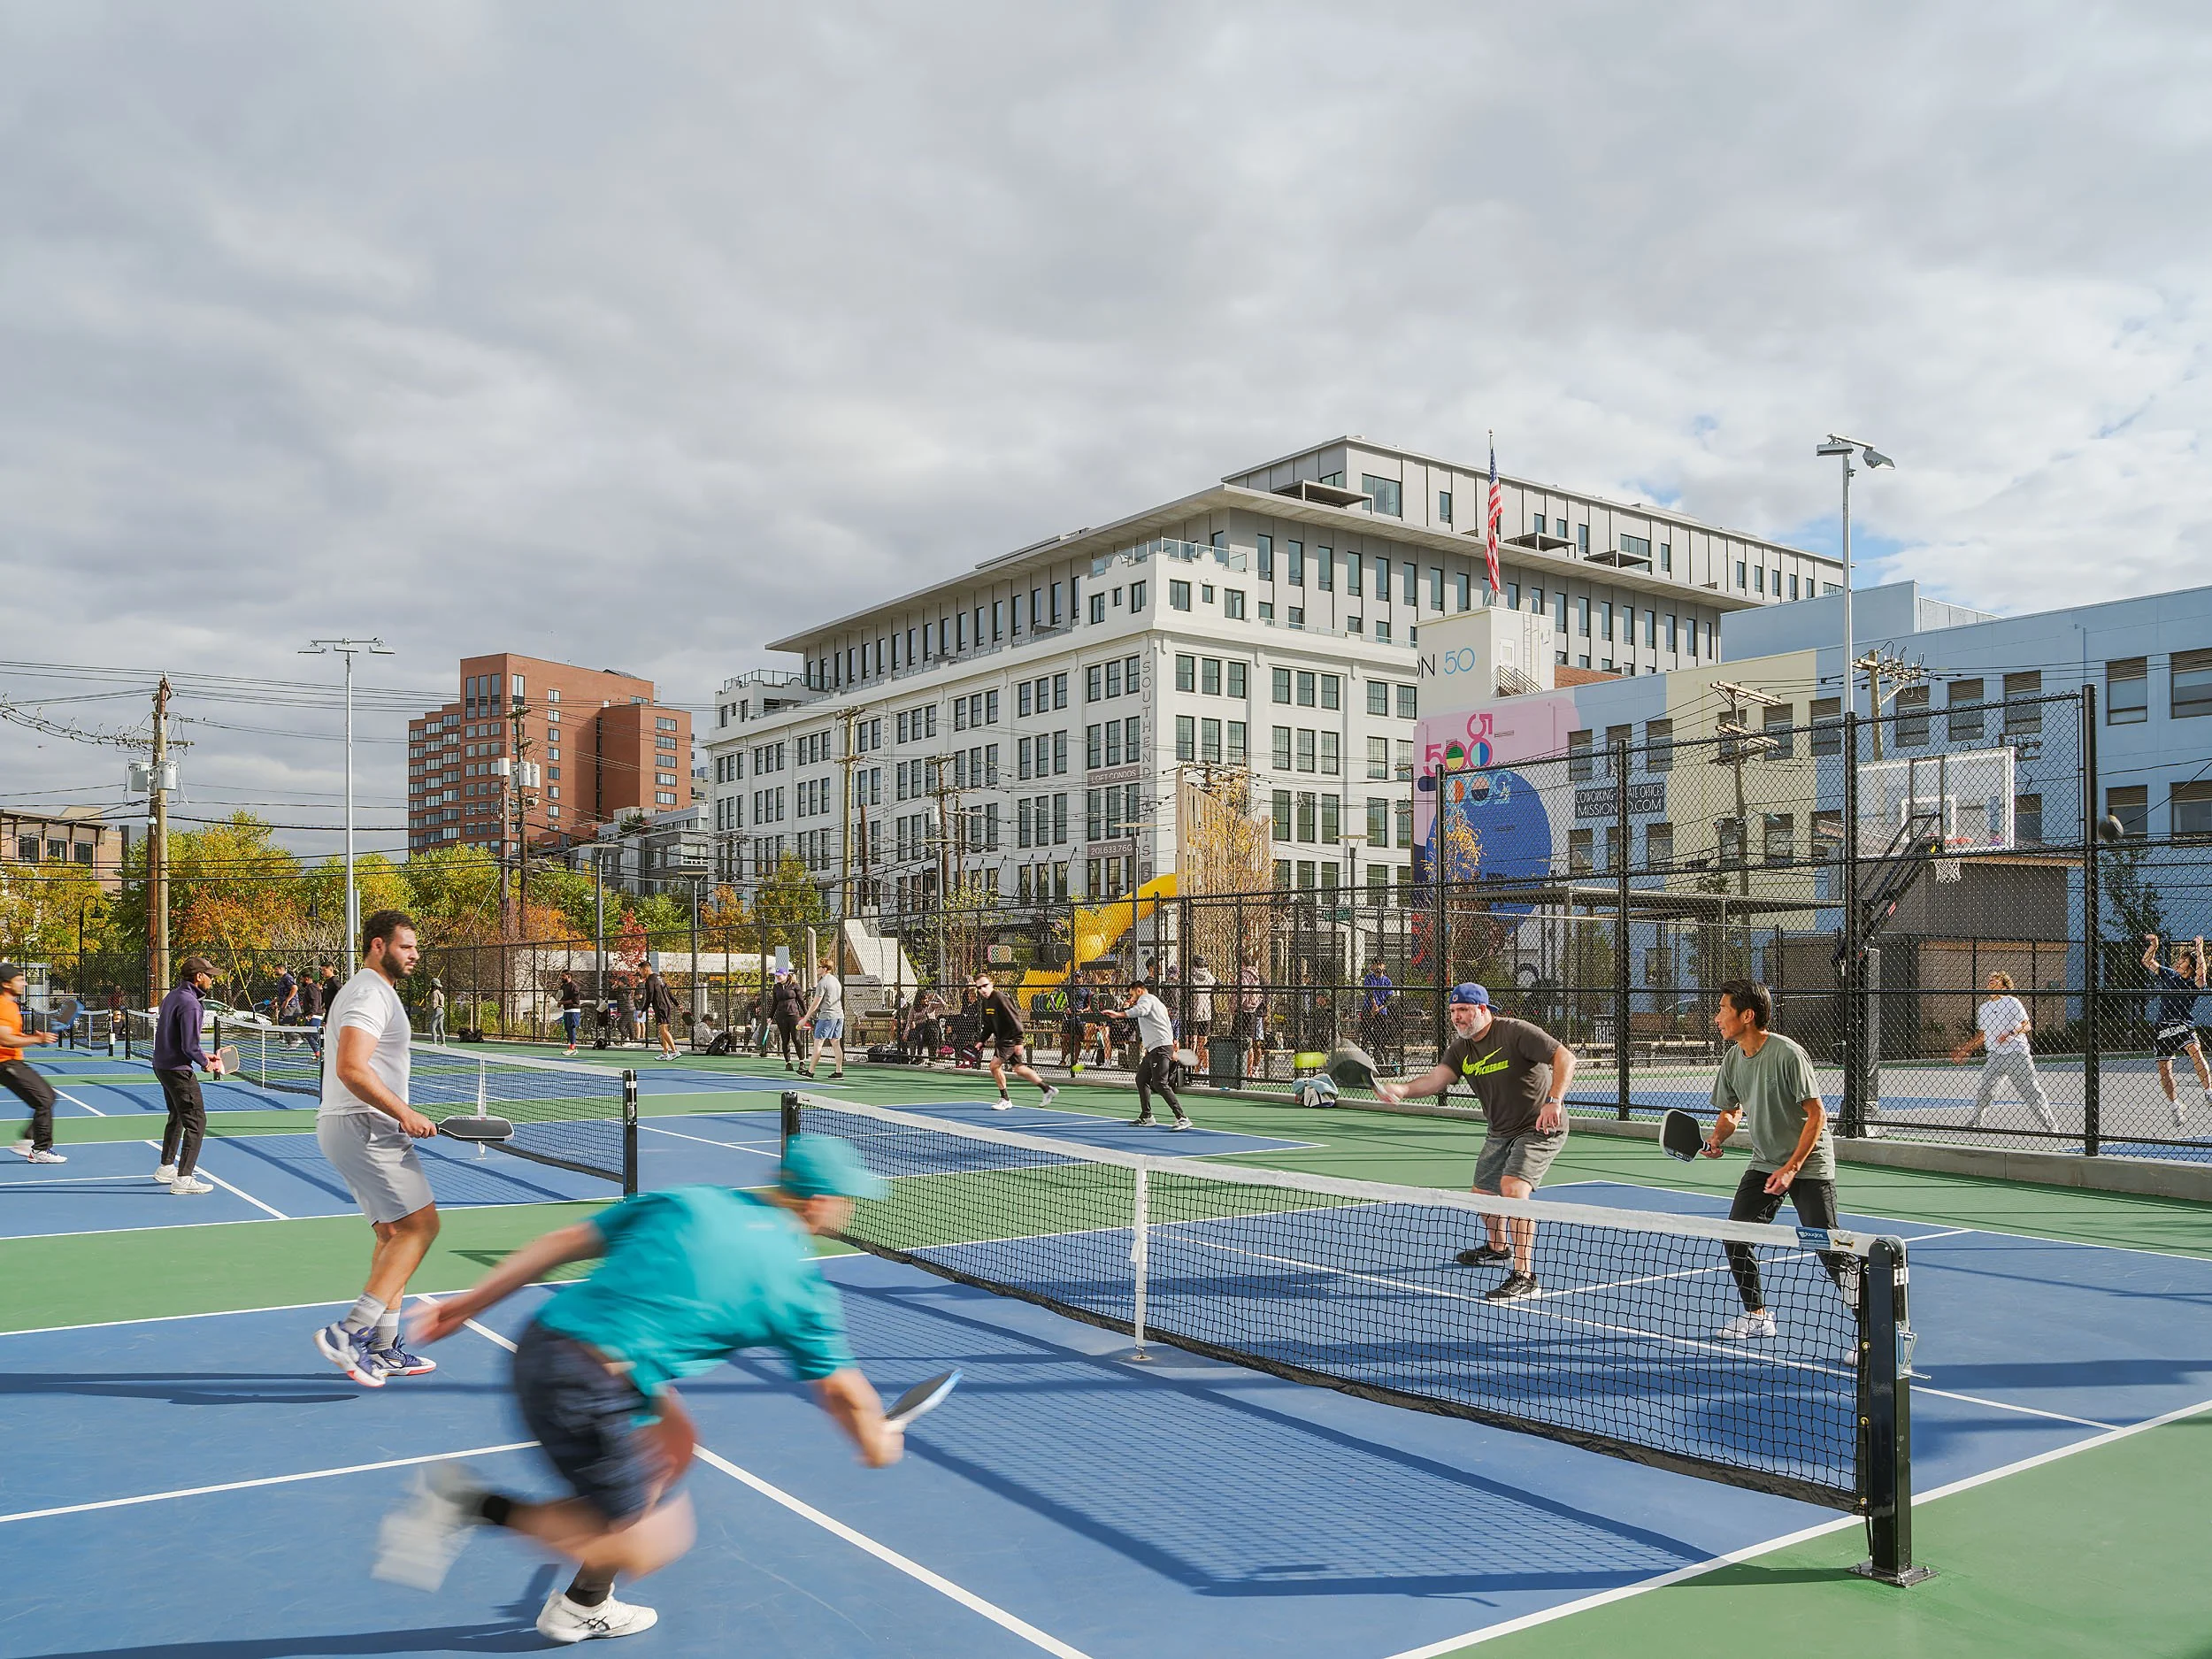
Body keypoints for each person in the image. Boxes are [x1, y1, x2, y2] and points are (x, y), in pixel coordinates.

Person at [372, 1134, 907, 1640]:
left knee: (674, 1443)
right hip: (585, 1384)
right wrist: (876, 1443)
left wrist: (467, 1305)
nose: (849, 1209)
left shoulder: (692, 1201)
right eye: (846, 1199)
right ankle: (468, 1504)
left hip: (546, 1341)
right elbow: (843, 1394)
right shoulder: (797, 1289)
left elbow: (563, 1242)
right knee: (651, 1546)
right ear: (816, 1203)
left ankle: (583, 1603)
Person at [311, 910, 442, 1388]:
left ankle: (383, 1347)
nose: (414, 955)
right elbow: (351, 1067)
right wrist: (404, 1112)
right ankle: (347, 1333)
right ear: (377, 945)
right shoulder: (370, 992)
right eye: (405, 946)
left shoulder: (373, 991)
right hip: (364, 1124)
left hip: (351, 1124)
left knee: (393, 1235)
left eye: (415, 947)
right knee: (421, 1228)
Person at [1377, 983, 1571, 1301]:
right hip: (1500, 1130)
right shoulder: (1460, 1048)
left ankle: (1525, 1275)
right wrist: (1401, 1089)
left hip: (1539, 1126)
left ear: (1482, 1010)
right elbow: (1436, 1079)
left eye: (1464, 1010)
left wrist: (1554, 1100)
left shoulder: (1515, 1032)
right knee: (1482, 1195)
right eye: (1453, 1011)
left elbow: (1565, 1057)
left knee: (1513, 1189)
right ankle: (1498, 1248)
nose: (1457, 1017)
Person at [1700, 979, 1859, 1340]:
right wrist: (1717, 1138)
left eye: (1723, 1009)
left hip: (1809, 1163)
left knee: (1829, 1249)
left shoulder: (1788, 1054)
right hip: (1765, 1162)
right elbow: (1731, 1111)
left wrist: (1792, 1168)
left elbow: (1817, 1115)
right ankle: (1757, 1317)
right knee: (1735, 1236)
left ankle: (1874, 1331)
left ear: (1747, 1015)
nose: (1717, 1018)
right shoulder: (1733, 1058)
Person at [151, 956, 227, 1195]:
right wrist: (206, 1063)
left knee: (177, 1115)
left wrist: (202, 1055)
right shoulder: (191, 1004)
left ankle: (166, 1167)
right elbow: (189, 1046)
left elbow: (181, 1041)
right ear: (199, 977)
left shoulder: (172, 997)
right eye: (210, 976)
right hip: (177, 1070)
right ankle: (184, 1178)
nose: (212, 980)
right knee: (197, 1121)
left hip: (162, 1066)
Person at [1954, 970, 2056, 1131]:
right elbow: (1983, 1035)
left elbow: (2027, 1025)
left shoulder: (2012, 1002)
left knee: (2031, 1092)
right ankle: (1976, 1122)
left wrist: (2011, 1033)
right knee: (1985, 1091)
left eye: (1995, 980)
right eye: (1990, 979)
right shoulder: (1984, 1008)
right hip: (1995, 1056)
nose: (1991, 981)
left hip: (2017, 1054)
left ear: (2004, 986)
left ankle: (2051, 1127)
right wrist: (1965, 1049)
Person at [2141, 933, 2212, 1127]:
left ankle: (2209, 1092)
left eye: (2183, 961)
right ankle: (2175, 1106)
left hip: (2182, 1025)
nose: (2178, 963)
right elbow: (2147, 961)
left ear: (2191, 968)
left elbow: (2202, 975)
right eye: (2179, 960)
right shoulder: (2169, 975)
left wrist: (2199, 949)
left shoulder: (2193, 984)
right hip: (2163, 1027)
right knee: (2164, 1069)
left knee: (2195, 1051)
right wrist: (2154, 945)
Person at [0, 964, 65, 1164]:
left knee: (48, 1097)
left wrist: (32, 1037)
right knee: (44, 1100)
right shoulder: (3, 1006)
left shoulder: (11, 1005)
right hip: (5, 1063)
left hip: (12, 1061)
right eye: (20, 980)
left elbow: (11, 1035)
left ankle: (27, 1141)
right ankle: (40, 1150)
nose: (25, 983)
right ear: (6, 984)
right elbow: (5, 1039)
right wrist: (37, 1039)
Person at [970, 973, 1060, 1112]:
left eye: (985, 985)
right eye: (979, 987)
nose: (983, 989)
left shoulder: (1001, 998)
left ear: (991, 984)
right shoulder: (986, 1002)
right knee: (1019, 1069)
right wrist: (981, 1041)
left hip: (1009, 1039)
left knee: (994, 1066)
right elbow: (988, 1025)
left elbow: (1015, 1019)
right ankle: (1047, 1089)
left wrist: (1019, 1041)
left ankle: (1005, 1100)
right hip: (1003, 1039)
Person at [1121, 975, 1189, 1130]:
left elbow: (1141, 1012)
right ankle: (1147, 1116)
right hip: (1155, 1048)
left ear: (1140, 991)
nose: (1131, 998)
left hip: (1160, 1048)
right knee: (1141, 1079)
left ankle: (1182, 1118)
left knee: (1160, 1083)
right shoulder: (1153, 1003)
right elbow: (1158, 1026)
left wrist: (1121, 1013)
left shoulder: (1147, 1002)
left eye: (1132, 994)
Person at [801, 957, 846, 1079]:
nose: (817, 968)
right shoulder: (836, 981)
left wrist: (805, 1019)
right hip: (839, 1016)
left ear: (825, 969)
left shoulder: (822, 983)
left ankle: (810, 1071)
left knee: (818, 1043)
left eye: (819, 967)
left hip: (827, 1017)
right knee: (836, 1043)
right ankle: (838, 1072)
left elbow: (815, 1004)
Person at [1187, 956, 1217, 1072]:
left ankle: (1192, 1067)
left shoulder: (1191, 977)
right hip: (1206, 1012)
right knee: (1203, 1042)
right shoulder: (1210, 977)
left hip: (1193, 1012)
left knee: (1193, 1041)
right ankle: (1205, 1067)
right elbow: (1216, 984)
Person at [1237, 958, 1266, 1076]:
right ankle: (1249, 1070)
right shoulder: (1256, 978)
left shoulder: (1249, 976)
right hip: (1254, 1011)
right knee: (1250, 1040)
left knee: (1253, 1041)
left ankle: (1252, 1068)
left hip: (1251, 1012)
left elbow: (1262, 997)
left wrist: (1238, 1005)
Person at [770, 971, 803, 1069]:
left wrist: (807, 1014)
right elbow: (774, 1003)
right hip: (781, 1017)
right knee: (785, 1039)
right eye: (776, 976)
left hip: (794, 1016)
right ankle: (788, 1063)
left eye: (779, 975)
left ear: (786, 975)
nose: (778, 977)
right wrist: (770, 1017)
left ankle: (802, 1062)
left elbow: (801, 1000)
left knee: (796, 1039)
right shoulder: (776, 987)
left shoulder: (795, 985)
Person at [644, 966, 679, 1059]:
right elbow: (669, 992)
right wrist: (677, 1004)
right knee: (663, 1031)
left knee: (663, 1030)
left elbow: (650, 996)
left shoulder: (650, 980)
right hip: (665, 1007)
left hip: (661, 1007)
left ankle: (675, 1051)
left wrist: (643, 1009)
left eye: (640, 970)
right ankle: (665, 1053)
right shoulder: (660, 978)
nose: (640, 972)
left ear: (646, 969)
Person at [299, 964, 326, 1061]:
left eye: (301, 979)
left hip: (315, 1015)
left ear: (306, 979)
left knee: (314, 1034)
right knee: (308, 1034)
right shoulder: (311, 987)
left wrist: (312, 1013)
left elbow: (315, 1000)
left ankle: (327, 1049)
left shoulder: (312, 987)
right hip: (311, 1014)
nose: (300, 981)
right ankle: (317, 1052)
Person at [558, 972, 582, 1055]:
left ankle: (572, 1048)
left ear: (568, 976)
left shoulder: (574, 986)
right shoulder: (564, 986)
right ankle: (573, 1047)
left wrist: (562, 1002)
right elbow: (563, 997)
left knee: (571, 1028)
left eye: (563, 976)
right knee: (567, 1028)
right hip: (567, 1010)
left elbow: (575, 1000)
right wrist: (560, 1002)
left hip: (574, 1010)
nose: (561, 977)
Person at [426, 977, 448, 1045]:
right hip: (442, 1011)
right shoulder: (441, 993)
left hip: (437, 1011)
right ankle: (443, 1043)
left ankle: (434, 1043)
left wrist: (426, 1008)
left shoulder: (435, 993)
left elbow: (434, 1004)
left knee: (432, 1027)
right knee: (440, 1028)